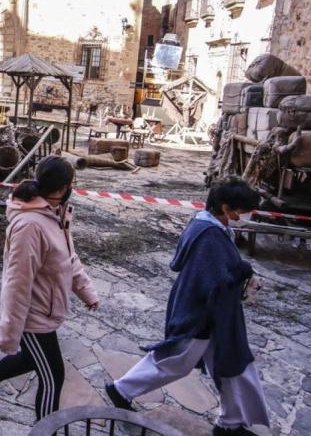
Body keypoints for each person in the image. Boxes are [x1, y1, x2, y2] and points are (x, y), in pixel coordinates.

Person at [104, 176, 269, 436]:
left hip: (214, 312)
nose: (244, 216)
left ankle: (231, 422)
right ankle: (121, 389)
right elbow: (214, 279)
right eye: (241, 210)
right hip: (201, 312)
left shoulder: (210, 225)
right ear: (226, 208)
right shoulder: (209, 236)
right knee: (175, 361)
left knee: (230, 365)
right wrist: (241, 274)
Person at [0, 156, 99, 421]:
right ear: (62, 188)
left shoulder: (54, 214)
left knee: (30, 359)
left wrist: (87, 291)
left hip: (45, 310)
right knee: (53, 377)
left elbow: (68, 258)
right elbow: (17, 282)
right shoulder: (30, 225)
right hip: (33, 317)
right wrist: (10, 333)